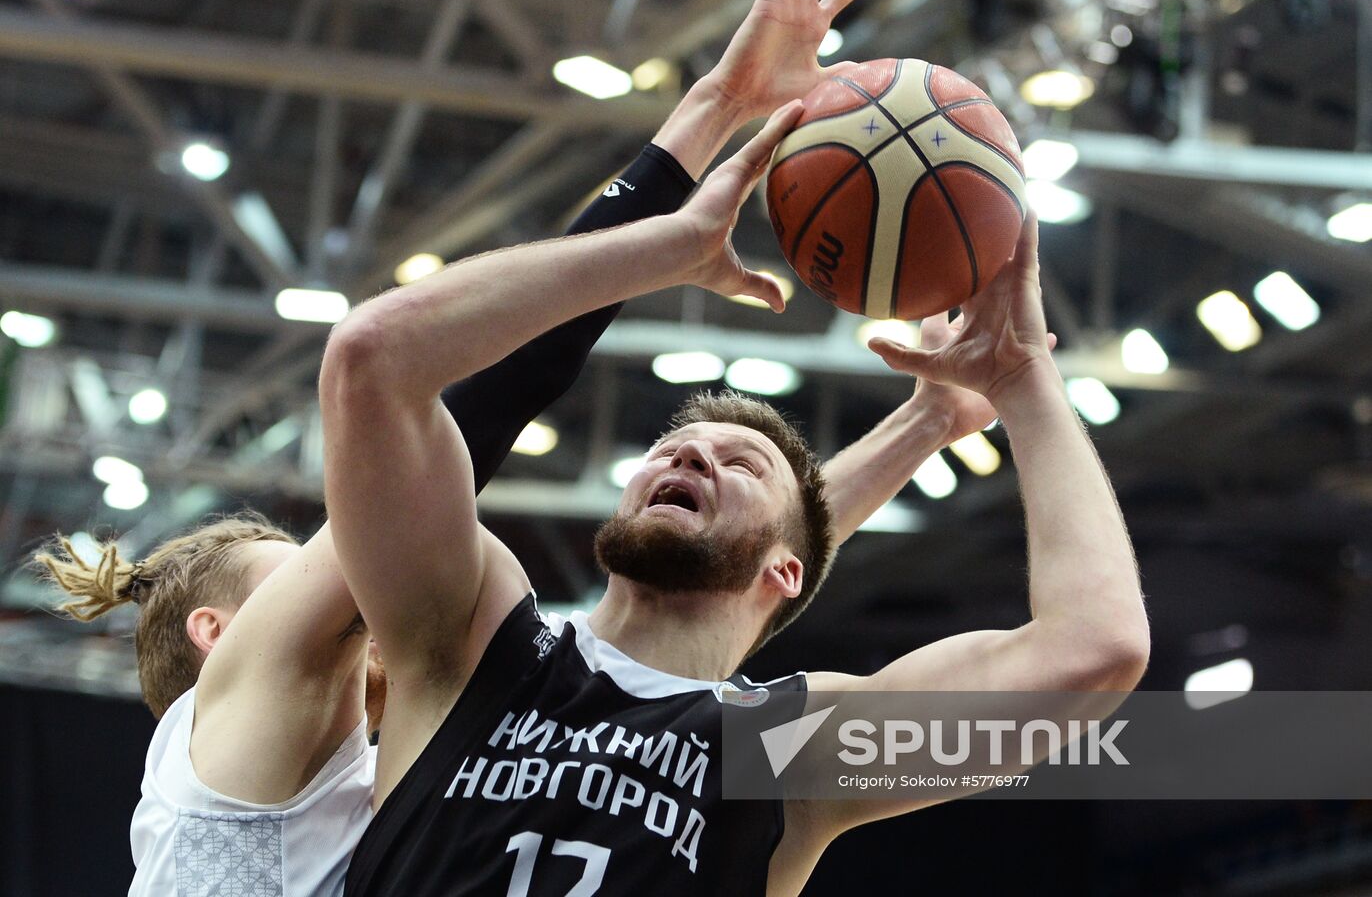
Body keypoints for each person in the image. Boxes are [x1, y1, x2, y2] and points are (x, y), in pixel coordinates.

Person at [32, 0, 978, 896]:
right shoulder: (248, 729)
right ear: (223, 637)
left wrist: (923, 424)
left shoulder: (395, 767)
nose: (368, 565)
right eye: (334, 583)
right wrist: (702, 127)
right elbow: (484, 407)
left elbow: (736, 562)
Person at [322, 106, 1149, 897]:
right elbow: (371, 360)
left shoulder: (782, 749)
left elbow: (1094, 647)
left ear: (787, 572)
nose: (688, 452)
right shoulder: (477, 634)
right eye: (672, 450)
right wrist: (664, 248)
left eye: (742, 463)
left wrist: (1022, 380)